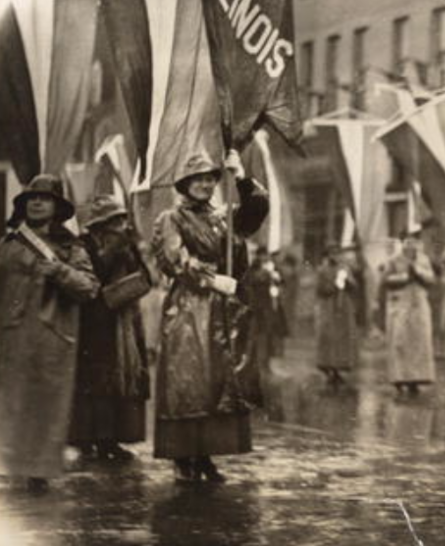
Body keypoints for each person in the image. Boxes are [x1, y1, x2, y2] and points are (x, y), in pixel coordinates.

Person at [151, 150, 269, 483]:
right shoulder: (171, 217)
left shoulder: (223, 216)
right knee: (189, 383)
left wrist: (242, 177)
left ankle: (205, 455)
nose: (204, 184)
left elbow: (257, 209)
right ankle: (184, 456)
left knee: (217, 386)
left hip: (224, 308)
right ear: (185, 184)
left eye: (210, 178)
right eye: (197, 179)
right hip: (190, 306)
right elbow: (172, 258)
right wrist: (209, 278)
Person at [0, 175, 99, 491]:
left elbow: (89, 288)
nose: (37, 202)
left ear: (57, 206)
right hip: (12, 337)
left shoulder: (72, 248)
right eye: (31, 198)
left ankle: (38, 473)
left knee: (44, 407)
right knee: (10, 404)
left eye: (44, 198)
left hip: (53, 339)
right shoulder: (9, 245)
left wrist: (58, 271)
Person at [68, 195, 150, 462]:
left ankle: (112, 439)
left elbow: (145, 275)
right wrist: (112, 250)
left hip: (122, 318)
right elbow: (93, 275)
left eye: (122, 219)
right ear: (98, 225)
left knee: (120, 381)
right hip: (93, 321)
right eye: (114, 220)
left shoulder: (126, 244)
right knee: (94, 383)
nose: (120, 225)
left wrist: (129, 249)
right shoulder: (84, 245)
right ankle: (88, 438)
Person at [382, 232, 437, 396]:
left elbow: (431, 279)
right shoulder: (394, 259)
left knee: (419, 342)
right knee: (400, 342)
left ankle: (416, 379)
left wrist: (419, 273)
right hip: (401, 304)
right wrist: (404, 276)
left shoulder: (423, 259)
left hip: (419, 304)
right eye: (407, 242)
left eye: (414, 242)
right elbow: (385, 280)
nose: (410, 245)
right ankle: (399, 378)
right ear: (402, 243)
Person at [315, 244, 363, 389]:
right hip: (329, 306)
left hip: (344, 308)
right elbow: (320, 290)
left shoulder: (345, 268)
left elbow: (355, 287)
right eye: (332, 253)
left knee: (342, 337)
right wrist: (335, 285)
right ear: (328, 255)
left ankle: (339, 368)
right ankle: (328, 367)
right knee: (329, 336)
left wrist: (347, 281)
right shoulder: (322, 270)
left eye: (338, 253)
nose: (335, 256)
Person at [244, 247, 288, 399]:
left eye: (266, 257)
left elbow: (281, 280)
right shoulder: (254, 270)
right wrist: (267, 273)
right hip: (257, 309)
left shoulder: (270, 269)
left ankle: (266, 364)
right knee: (256, 338)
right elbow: (252, 280)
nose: (265, 259)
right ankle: (255, 366)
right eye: (263, 257)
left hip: (270, 308)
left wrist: (275, 274)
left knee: (269, 336)